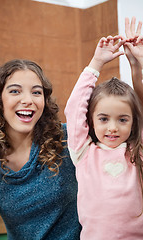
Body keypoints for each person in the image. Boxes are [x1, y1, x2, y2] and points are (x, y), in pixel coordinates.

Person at [0, 59, 81, 240]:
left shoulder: (69, 137)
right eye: (15, 91)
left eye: (36, 92)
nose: (28, 100)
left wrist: (137, 70)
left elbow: (133, 126)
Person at [64, 19, 143, 239]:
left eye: (123, 120)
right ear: (91, 120)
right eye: (104, 119)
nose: (113, 128)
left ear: (133, 122)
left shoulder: (136, 151)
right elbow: (74, 108)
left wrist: (138, 65)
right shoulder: (84, 152)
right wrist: (96, 63)